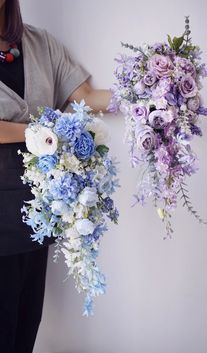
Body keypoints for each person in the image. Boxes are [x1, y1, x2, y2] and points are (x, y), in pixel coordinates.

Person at [0, 0, 112, 352]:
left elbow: (86, 98)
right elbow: (46, 127)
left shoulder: (40, 44)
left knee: (23, 327)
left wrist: (147, 97)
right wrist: (38, 131)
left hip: (37, 213)